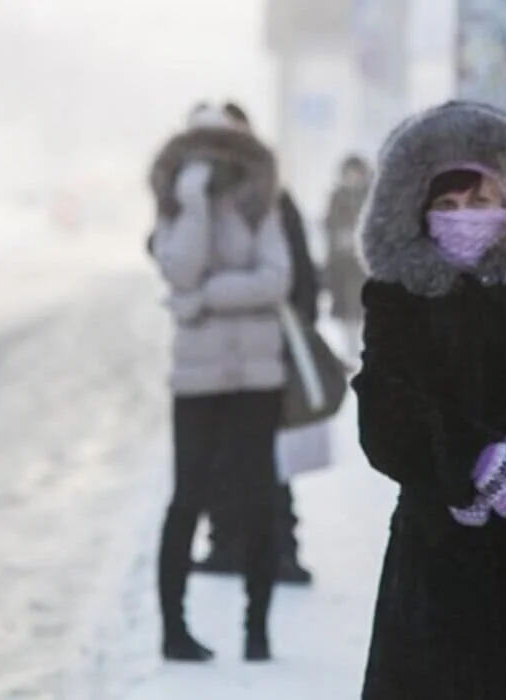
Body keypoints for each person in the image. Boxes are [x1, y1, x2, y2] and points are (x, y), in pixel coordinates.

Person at [353, 100, 506, 699]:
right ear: (420, 210)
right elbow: (381, 406)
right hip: (436, 567)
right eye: (448, 205)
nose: (464, 218)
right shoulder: (399, 297)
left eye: (480, 202)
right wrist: (470, 462)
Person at [148, 103, 292, 662]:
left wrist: (203, 299)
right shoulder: (175, 204)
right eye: (199, 150)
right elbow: (178, 268)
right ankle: (173, 631)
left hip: (258, 374)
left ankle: (257, 631)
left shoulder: (262, 203)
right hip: (196, 378)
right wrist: (192, 202)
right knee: (187, 499)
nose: (211, 160)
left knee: (258, 501)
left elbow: (275, 280)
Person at [189, 101, 319, 585]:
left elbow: (300, 275)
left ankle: (283, 551)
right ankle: (226, 545)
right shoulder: (197, 200)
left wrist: (294, 337)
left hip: (267, 349)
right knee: (217, 455)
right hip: (211, 354)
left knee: (270, 458)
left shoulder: (272, 198)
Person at [322, 153, 372, 353]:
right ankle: (350, 348)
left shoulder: (370, 196)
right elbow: (329, 225)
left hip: (364, 263)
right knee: (346, 311)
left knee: (363, 306)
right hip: (342, 263)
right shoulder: (337, 197)